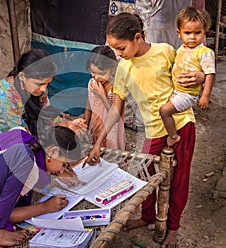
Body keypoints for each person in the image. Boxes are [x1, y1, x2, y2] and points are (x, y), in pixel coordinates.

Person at [84, 13, 205, 248]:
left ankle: (173, 227)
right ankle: (149, 216)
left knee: (179, 178)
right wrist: (98, 141)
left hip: (181, 124)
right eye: (114, 49)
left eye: (121, 47)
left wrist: (200, 76)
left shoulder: (166, 52)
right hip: (152, 130)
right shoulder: (123, 69)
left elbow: (190, 77)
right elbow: (115, 109)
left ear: (137, 38)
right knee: (145, 175)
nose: (117, 54)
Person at [0, 49, 87, 150]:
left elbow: (47, 113)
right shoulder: (5, 94)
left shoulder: (38, 90)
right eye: (40, 84)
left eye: (47, 84)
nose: (44, 89)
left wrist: (68, 124)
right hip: (2, 139)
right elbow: (18, 135)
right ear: (22, 76)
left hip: (24, 135)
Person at [160, 6, 215, 147]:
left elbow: (210, 74)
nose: (192, 37)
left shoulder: (204, 52)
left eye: (197, 33)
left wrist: (205, 96)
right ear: (179, 33)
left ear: (204, 33)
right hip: (176, 91)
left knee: (164, 111)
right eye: (187, 32)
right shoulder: (180, 50)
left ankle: (173, 136)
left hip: (187, 94)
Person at [84, 45, 125, 150]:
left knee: (110, 156)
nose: (97, 77)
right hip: (96, 125)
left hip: (111, 131)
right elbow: (88, 107)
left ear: (112, 69)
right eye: (93, 72)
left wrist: (102, 95)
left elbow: (115, 116)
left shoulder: (116, 87)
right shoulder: (92, 83)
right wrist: (85, 127)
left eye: (101, 74)